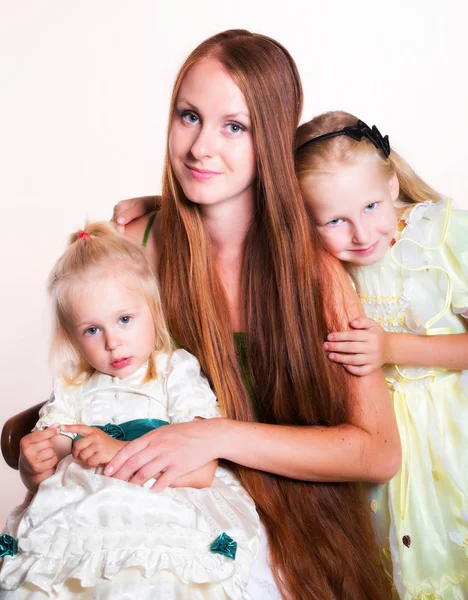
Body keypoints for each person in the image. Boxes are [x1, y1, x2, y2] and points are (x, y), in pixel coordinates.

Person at [108, 30, 401, 599]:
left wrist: (214, 436)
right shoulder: (135, 244)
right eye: (188, 116)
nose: (200, 148)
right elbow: (93, 379)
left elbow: (378, 451)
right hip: (163, 496)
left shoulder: (311, 271)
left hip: (289, 519)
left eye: (233, 127)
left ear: (269, 139)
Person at [0, 222, 261, 599]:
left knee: (148, 580)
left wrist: (117, 451)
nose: (112, 342)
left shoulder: (174, 370)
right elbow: (46, 482)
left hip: (157, 508)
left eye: (124, 320)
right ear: (73, 337)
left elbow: (202, 470)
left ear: (152, 310)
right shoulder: (73, 385)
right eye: (92, 330)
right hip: (79, 519)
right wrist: (32, 464)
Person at [294, 110, 468, 599]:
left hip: (451, 432)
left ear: (392, 185)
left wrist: (391, 347)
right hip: (376, 436)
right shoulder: (318, 262)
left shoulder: (442, 235)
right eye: (334, 220)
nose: (361, 234)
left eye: (371, 206)